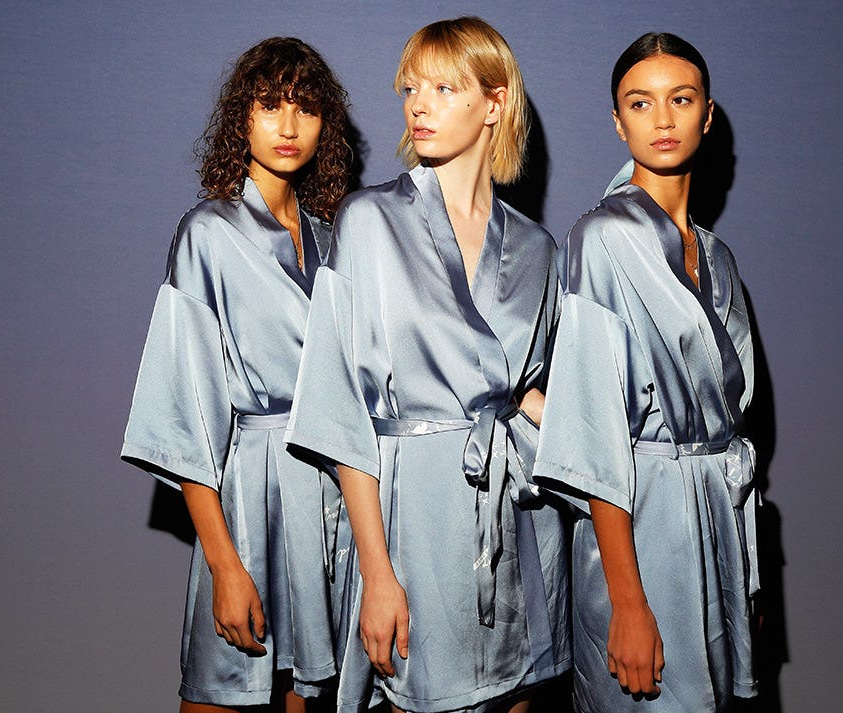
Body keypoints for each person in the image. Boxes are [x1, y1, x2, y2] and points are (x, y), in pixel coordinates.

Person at [284, 17, 569, 713]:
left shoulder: (537, 248)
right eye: (413, 87)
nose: (419, 104)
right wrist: (378, 574)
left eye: (445, 87)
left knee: (517, 694)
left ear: (495, 104)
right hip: (410, 520)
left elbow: (521, 387)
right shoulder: (370, 222)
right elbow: (341, 409)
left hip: (517, 523)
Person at [120, 37, 354, 712]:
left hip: (330, 502)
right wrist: (225, 562)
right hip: (246, 499)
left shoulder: (335, 241)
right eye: (270, 104)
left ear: (325, 128)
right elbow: (183, 416)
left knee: (311, 696)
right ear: (240, 117)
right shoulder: (206, 234)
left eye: (306, 109)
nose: (288, 125)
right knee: (222, 690)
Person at [533, 32, 759, 712]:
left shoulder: (717, 258)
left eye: (680, 99)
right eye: (641, 102)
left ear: (707, 114)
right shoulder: (600, 238)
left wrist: (742, 575)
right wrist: (628, 603)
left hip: (714, 522)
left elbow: (735, 418)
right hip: (638, 528)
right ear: (618, 120)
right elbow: (596, 436)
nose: (662, 120)